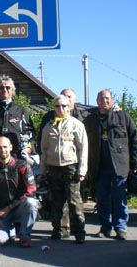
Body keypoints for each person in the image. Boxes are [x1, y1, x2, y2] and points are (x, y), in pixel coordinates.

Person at [83, 89, 137, 240]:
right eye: (102, 99)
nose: (105, 101)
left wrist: (136, 162)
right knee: (102, 198)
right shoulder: (90, 119)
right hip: (98, 165)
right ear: (97, 101)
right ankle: (105, 227)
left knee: (119, 198)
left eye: (107, 98)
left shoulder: (122, 116)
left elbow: (135, 139)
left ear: (112, 100)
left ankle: (121, 228)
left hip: (119, 165)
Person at [39, 95, 88, 244]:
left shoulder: (76, 124)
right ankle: (60, 230)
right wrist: (42, 172)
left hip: (70, 166)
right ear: (54, 108)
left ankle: (79, 231)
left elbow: (83, 149)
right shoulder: (48, 126)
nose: (61, 109)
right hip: (54, 167)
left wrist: (82, 170)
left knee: (74, 201)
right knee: (57, 201)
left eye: (64, 106)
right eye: (57, 106)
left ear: (69, 107)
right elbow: (44, 150)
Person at [0, 136, 39, 248]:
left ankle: (24, 236)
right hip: (0, 211)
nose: (3, 150)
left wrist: (9, 208)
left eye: (5, 147)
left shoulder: (23, 165)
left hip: (19, 207)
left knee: (32, 202)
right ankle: (12, 230)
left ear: (11, 147)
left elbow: (31, 190)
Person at [0, 75, 35, 169]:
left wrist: (25, 149)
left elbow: (30, 132)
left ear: (12, 90)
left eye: (8, 87)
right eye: (1, 88)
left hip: (16, 157)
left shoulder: (21, 111)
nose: (5, 90)